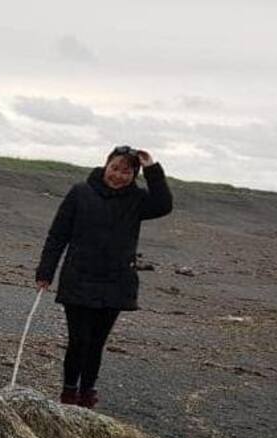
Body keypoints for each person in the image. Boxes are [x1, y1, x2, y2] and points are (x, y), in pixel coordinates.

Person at [35, 145, 173, 408]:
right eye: (115, 168)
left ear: (135, 175)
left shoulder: (137, 200)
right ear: (106, 165)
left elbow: (164, 205)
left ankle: (87, 393)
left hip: (116, 281)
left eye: (127, 171)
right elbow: (58, 235)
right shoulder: (80, 193)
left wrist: (152, 169)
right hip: (79, 278)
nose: (119, 175)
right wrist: (46, 271)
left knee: (97, 342)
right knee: (79, 340)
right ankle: (68, 392)